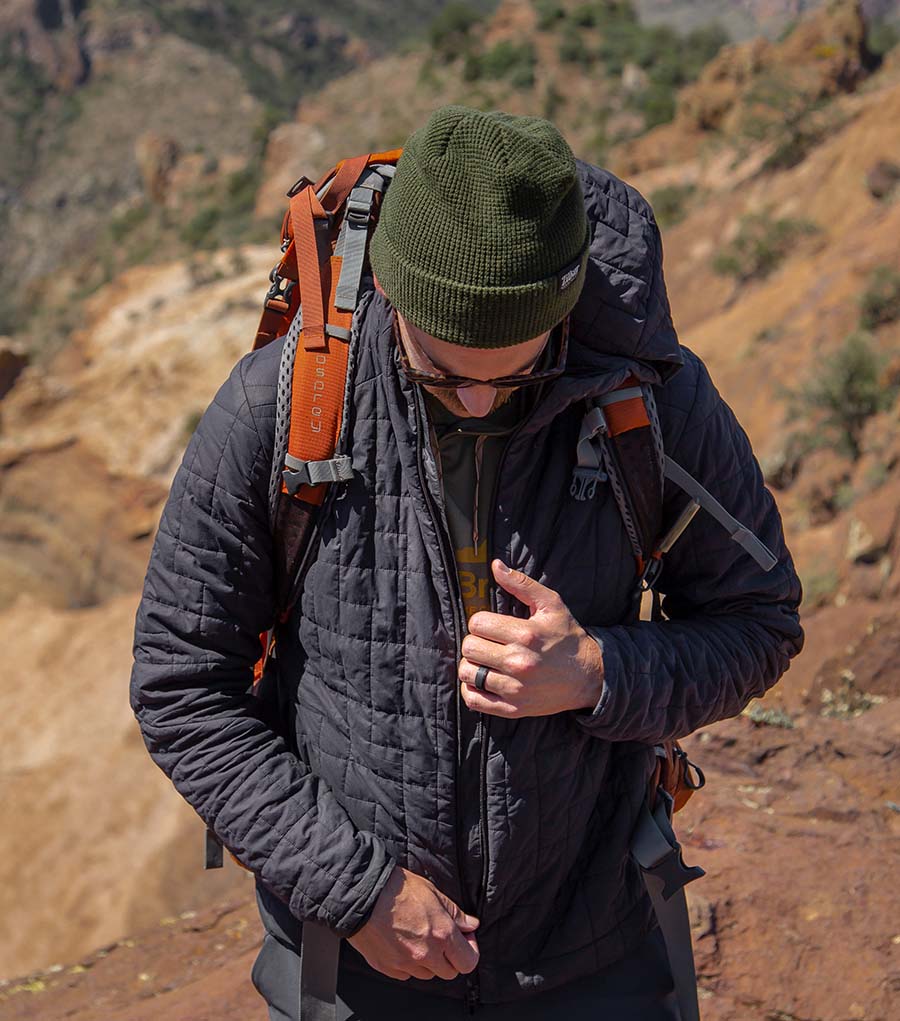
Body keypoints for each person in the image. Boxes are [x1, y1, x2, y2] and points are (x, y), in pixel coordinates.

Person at [130, 105, 804, 1020]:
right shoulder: (282, 407)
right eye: (443, 371)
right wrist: (354, 890)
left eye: (516, 370)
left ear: (563, 312)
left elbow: (760, 620)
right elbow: (182, 687)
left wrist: (602, 672)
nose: (481, 395)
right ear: (394, 298)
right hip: (357, 968)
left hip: (591, 954)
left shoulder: (648, 399)